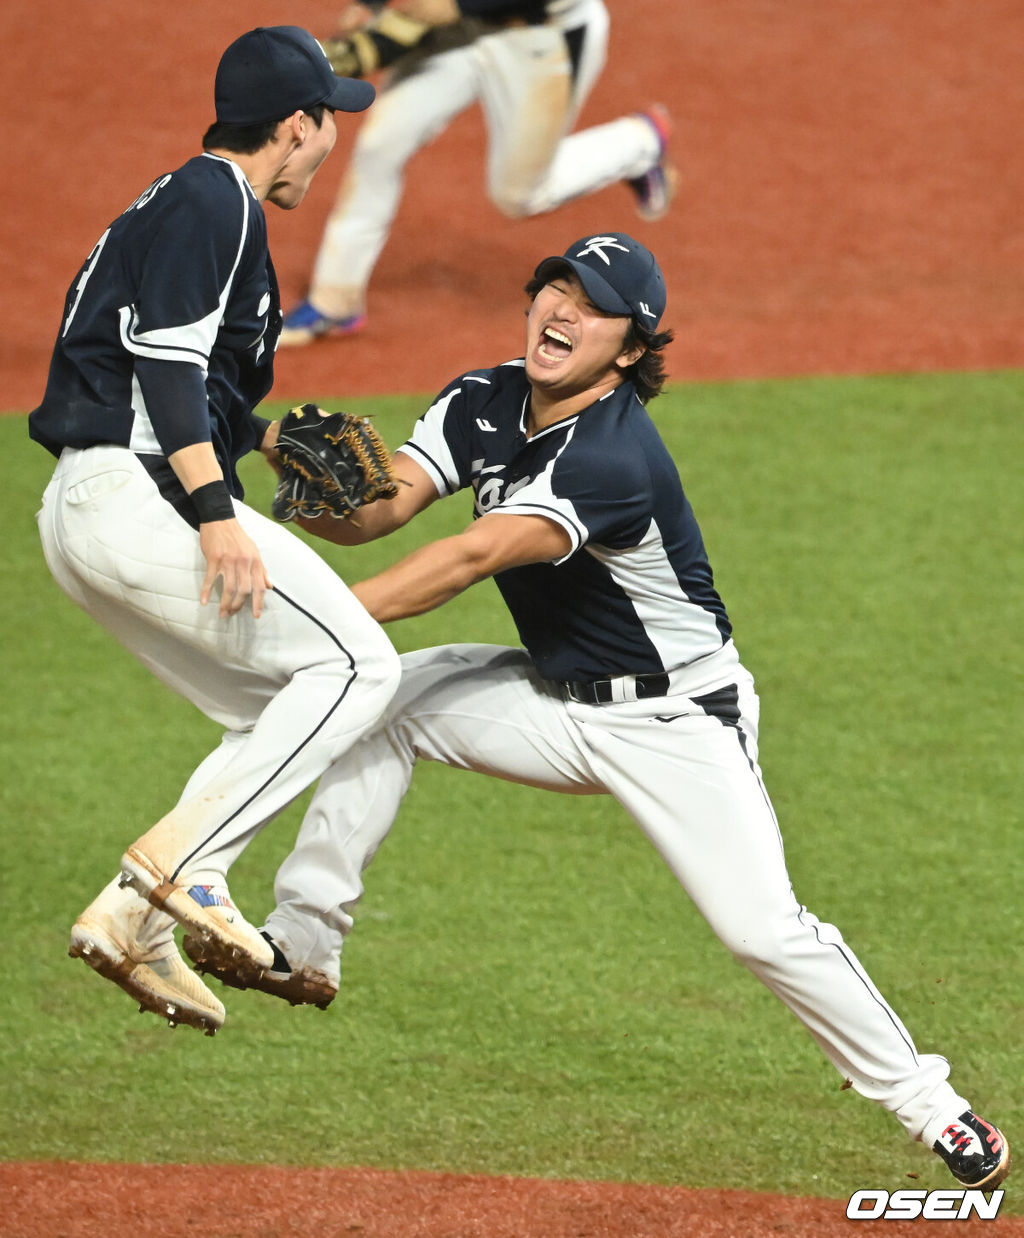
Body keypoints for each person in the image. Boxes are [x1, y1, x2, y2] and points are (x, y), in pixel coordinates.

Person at [194, 231, 1010, 1188]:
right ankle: (305, 943)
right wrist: (260, 447)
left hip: (674, 723)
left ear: (629, 349)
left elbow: (462, 562)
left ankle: (934, 1107)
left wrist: (323, 620)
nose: (562, 310)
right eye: (554, 287)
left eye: (592, 305)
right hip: (552, 700)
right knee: (384, 701)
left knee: (763, 930)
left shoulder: (611, 458)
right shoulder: (481, 398)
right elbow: (377, 510)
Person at [29, 26, 401, 1036]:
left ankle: (127, 918)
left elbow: (163, 368)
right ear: (296, 124)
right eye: (330, 121)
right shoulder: (217, 198)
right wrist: (213, 513)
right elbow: (166, 364)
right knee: (361, 669)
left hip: (87, 511)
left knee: (278, 712)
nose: (332, 142)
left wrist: (266, 435)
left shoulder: (177, 199)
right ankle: (188, 869)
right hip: (145, 500)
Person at [278, 0, 675, 345]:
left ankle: (640, 143)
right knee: (380, 146)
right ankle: (335, 301)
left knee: (519, 195)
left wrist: (460, 5)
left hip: (541, 35)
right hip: (459, 32)